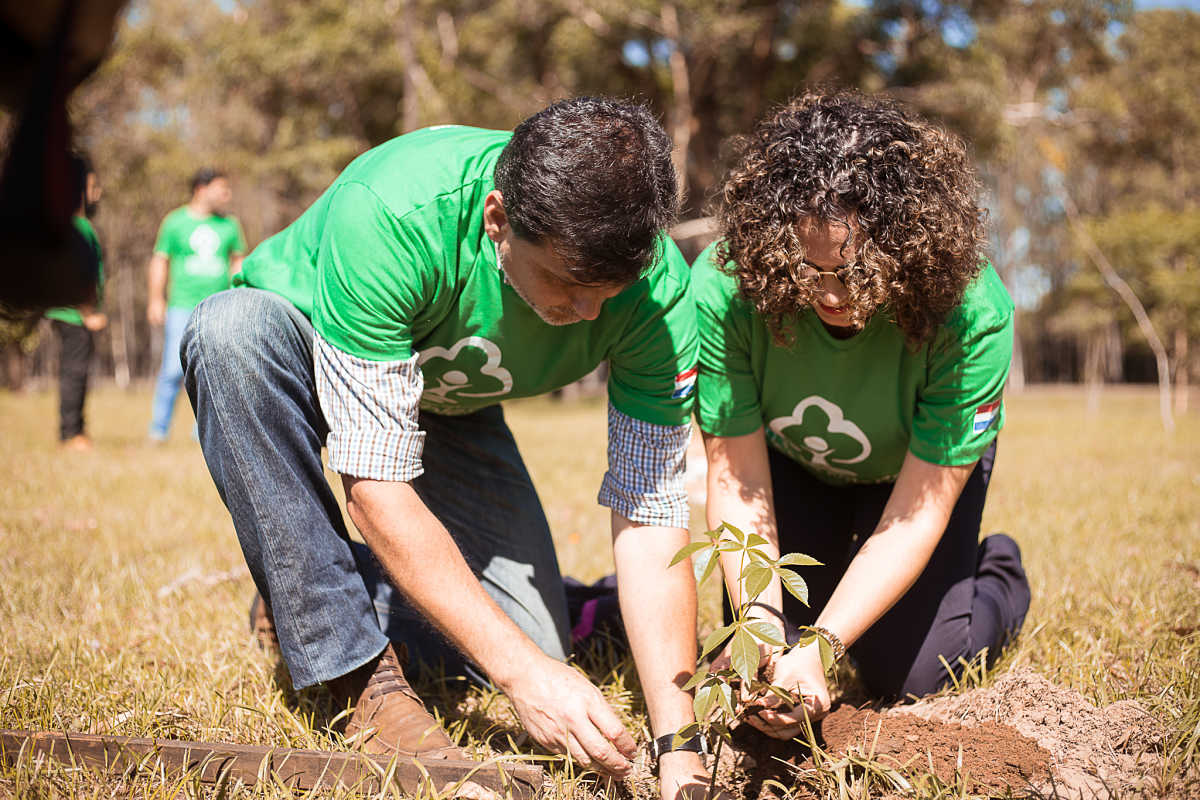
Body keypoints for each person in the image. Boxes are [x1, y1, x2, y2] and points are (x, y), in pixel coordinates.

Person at [181, 98, 714, 800]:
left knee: (539, 640)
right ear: (498, 219)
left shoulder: (656, 295)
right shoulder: (393, 211)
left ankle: (298, 588)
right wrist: (521, 679)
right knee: (229, 333)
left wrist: (680, 747)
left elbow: (651, 512)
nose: (587, 316)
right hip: (311, 353)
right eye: (565, 283)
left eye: (607, 292)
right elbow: (375, 487)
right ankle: (353, 675)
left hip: (451, 404)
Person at [694, 90, 1031, 739]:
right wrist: (765, 636)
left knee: (912, 672)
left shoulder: (974, 316)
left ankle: (999, 569)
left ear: (908, 245)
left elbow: (917, 513)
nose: (826, 294)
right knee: (756, 649)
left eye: (853, 272)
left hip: (909, 484)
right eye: (806, 268)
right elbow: (735, 477)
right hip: (793, 467)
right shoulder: (726, 288)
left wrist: (822, 650)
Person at [146, 167, 246, 442]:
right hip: (181, 306)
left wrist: (239, 296)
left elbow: (237, 262)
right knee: (172, 369)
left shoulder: (230, 225)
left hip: (219, 307)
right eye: (221, 188)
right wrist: (156, 299)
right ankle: (159, 430)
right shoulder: (175, 222)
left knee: (213, 370)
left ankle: (202, 434)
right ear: (201, 189)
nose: (227, 194)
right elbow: (160, 261)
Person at [44, 152, 106, 450]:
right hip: (73, 315)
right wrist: (88, 313)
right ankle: (70, 433)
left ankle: (76, 430)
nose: (98, 193)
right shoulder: (78, 227)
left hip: (72, 314)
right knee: (74, 373)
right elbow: (77, 276)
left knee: (77, 372)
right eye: (93, 187)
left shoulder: (77, 225)